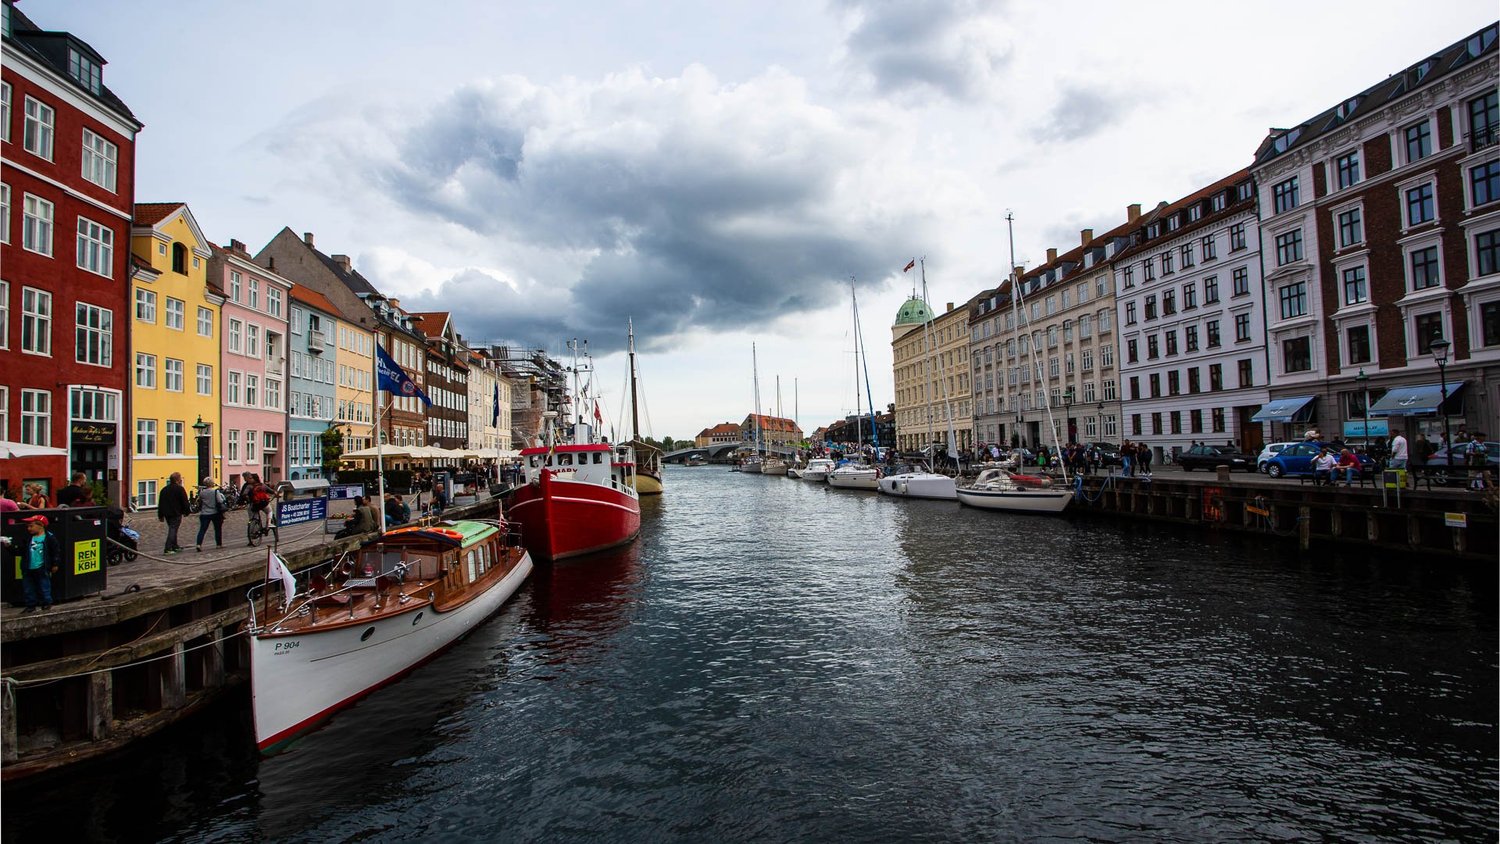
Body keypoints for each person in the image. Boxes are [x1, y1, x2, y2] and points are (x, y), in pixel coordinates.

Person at [20, 515, 61, 613]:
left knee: (44, 585)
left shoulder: (49, 538)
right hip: (29, 566)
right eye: (28, 526)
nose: (28, 528)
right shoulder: (28, 538)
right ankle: (30, 605)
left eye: (31, 526)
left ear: (41, 525)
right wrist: (9, 547)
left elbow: (55, 551)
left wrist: (55, 563)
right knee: (28, 587)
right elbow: (22, 551)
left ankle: (46, 602)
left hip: (42, 566)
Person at [158, 472, 190, 554]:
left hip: (167, 513)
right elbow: (184, 501)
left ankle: (175, 546)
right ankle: (168, 548)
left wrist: (160, 515)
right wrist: (187, 511)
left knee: (173, 529)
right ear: (177, 480)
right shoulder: (179, 489)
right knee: (173, 529)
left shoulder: (164, 489)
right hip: (176, 513)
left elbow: (160, 503)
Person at [195, 477, 229, 551]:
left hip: (204, 513)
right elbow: (220, 501)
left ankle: (198, 544)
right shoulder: (215, 492)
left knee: (202, 529)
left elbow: (199, 501)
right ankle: (219, 544)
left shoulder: (202, 492)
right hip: (215, 512)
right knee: (217, 529)